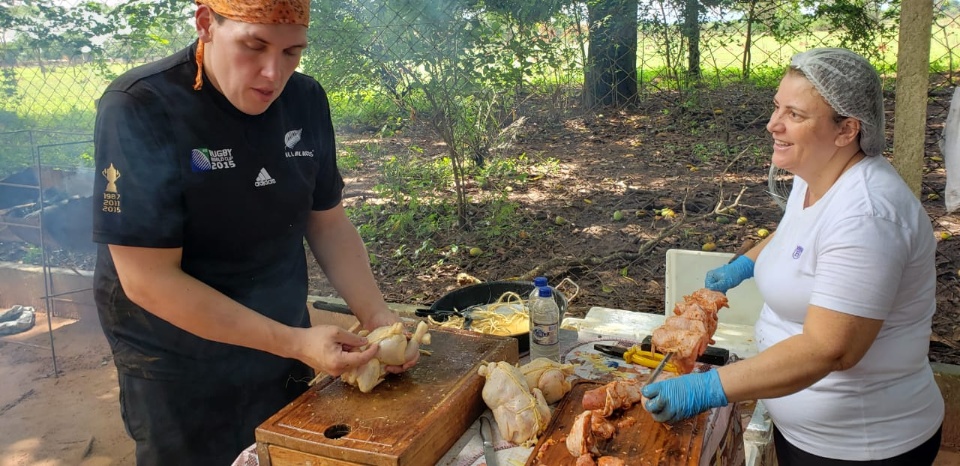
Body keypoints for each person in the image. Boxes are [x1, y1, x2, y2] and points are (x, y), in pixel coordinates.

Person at [91, 1, 417, 464]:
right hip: (178, 361)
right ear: (206, 23)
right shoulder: (142, 106)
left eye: (292, 52)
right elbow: (147, 279)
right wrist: (294, 342)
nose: (272, 73)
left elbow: (327, 223)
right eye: (254, 46)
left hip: (282, 339)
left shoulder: (305, 100)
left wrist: (377, 315)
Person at [642, 48, 944, 465]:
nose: (772, 124)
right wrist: (744, 264)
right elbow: (797, 232)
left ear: (847, 130)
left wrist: (710, 388)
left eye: (795, 115)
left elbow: (830, 349)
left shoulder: (869, 217)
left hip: (860, 445)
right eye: (776, 107)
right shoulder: (818, 172)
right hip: (805, 431)